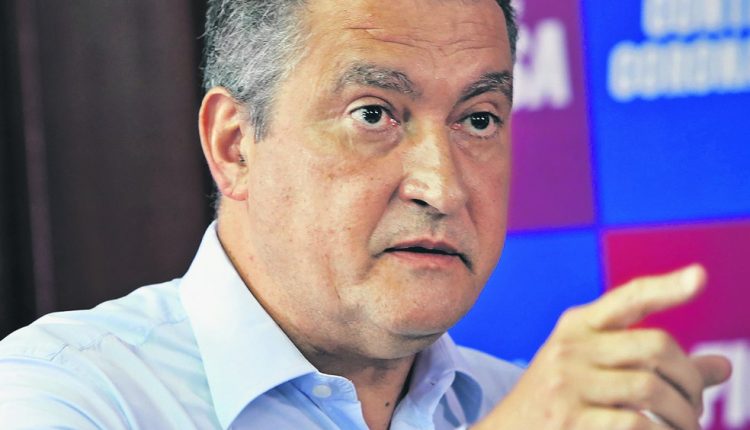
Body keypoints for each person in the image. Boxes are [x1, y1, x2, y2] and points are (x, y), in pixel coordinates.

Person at [0, 0, 732, 429]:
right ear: (234, 145)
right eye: (374, 113)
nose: (442, 187)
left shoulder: (513, 403)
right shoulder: (63, 394)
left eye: (478, 119)